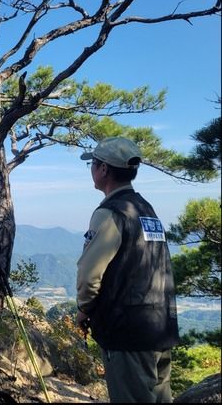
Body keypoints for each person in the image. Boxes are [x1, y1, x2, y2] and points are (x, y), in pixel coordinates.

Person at [76, 137, 179, 403]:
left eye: (93, 164)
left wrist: (84, 309)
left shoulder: (111, 212)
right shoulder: (146, 209)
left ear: (104, 170)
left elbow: (89, 275)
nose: (92, 169)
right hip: (160, 326)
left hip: (127, 333)